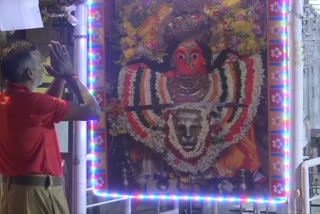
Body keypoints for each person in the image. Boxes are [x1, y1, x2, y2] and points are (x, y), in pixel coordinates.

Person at [0, 40, 101, 214]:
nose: (43, 68)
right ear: (30, 74)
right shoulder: (35, 104)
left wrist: (59, 78)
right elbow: (92, 111)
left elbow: (46, 112)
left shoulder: (7, 101)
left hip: (11, 193)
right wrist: (71, 76)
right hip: (39, 194)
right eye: (39, 65)